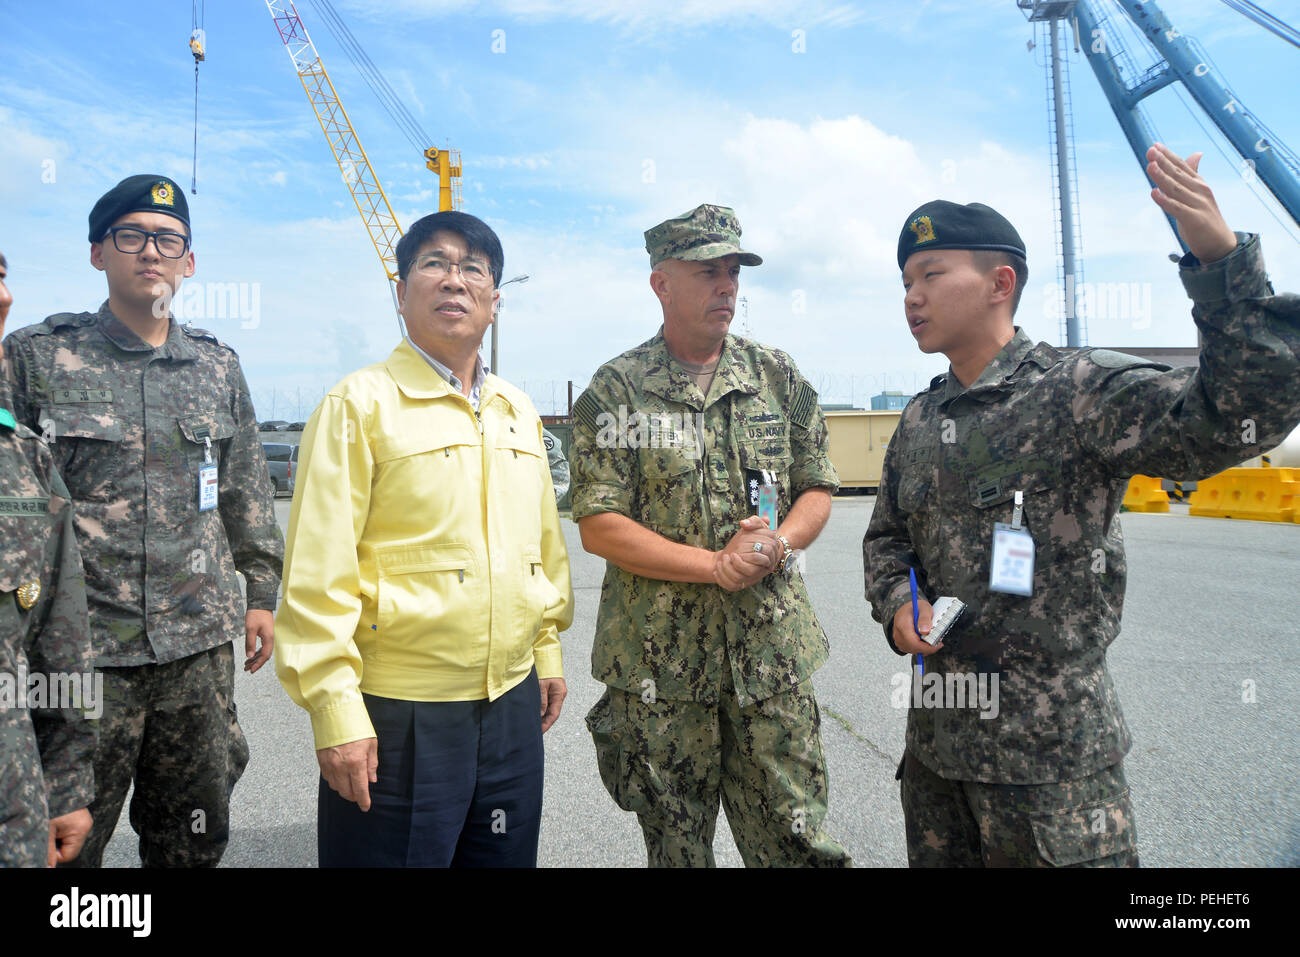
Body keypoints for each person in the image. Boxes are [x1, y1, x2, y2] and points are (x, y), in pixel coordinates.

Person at [864, 144, 1300, 867]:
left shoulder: (1077, 390)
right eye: (906, 280)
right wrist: (897, 606)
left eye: (931, 275)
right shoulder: (918, 421)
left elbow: (1236, 412)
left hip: (1051, 773)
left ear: (1000, 282)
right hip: (938, 761)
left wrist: (1222, 266)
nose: (911, 295)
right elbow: (887, 540)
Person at [274, 210, 573, 868]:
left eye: (474, 269)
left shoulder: (517, 411)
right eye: (434, 263)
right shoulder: (358, 405)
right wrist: (335, 710)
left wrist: (546, 649)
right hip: (400, 717)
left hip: (512, 711)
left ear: (495, 300)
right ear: (401, 291)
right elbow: (317, 575)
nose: (455, 280)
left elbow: (541, 549)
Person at [4, 175, 284, 867]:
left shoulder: (217, 367)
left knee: (191, 838)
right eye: (131, 236)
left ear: (189, 262)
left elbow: (245, 491)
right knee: (65, 847)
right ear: (99, 252)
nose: (150, 252)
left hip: (196, 654)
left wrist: (259, 593)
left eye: (169, 240)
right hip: (81, 660)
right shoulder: (36, 358)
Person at [570, 204, 851, 867]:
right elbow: (599, 523)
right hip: (661, 673)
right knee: (676, 849)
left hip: (770, 662)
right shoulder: (617, 390)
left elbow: (818, 485)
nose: (726, 287)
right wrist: (712, 565)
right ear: (661, 283)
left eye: (732, 271)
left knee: (797, 845)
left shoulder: (775, 377)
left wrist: (780, 543)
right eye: (707, 272)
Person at [0, 250, 96, 867]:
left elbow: (60, 638)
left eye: (2, 275)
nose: (3, 296)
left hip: (15, 812)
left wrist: (64, 782)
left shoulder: (23, 457)